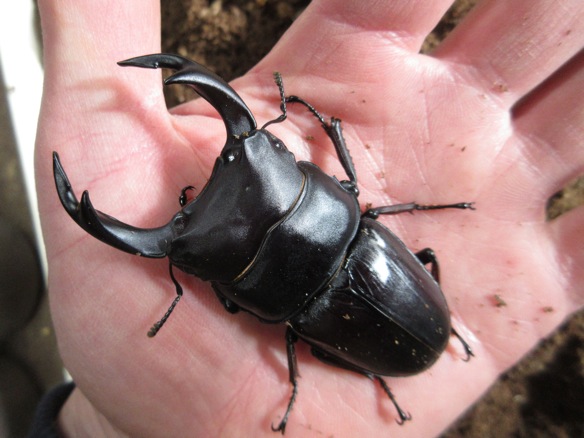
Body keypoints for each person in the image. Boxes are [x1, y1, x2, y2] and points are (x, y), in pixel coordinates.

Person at [33, 0, 584, 436]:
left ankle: (363, 369)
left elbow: (236, 296)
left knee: (320, 329)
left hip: (368, 312)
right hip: (374, 298)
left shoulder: (303, 292)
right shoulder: (349, 229)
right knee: (355, 292)